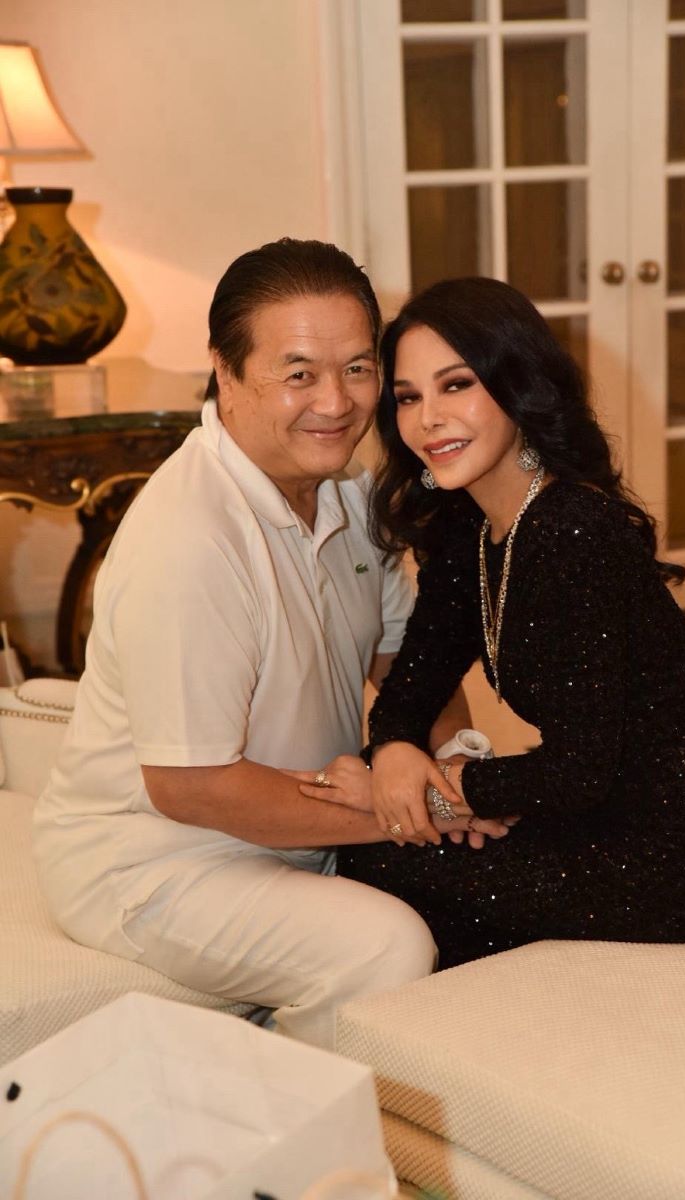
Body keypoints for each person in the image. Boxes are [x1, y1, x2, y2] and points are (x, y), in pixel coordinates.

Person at [33, 241, 505, 1048]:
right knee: (385, 947)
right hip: (162, 857)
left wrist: (448, 766)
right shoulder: (190, 539)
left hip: (312, 820)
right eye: (298, 374)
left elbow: (410, 671)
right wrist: (413, 809)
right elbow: (190, 788)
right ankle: (294, 1118)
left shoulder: (352, 491)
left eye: (357, 369)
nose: (336, 402)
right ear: (225, 372)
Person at [310, 275, 685, 970]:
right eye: (408, 397)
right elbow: (412, 688)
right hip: (598, 810)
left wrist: (444, 800)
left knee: (377, 859)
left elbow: (574, 773)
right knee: (376, 842)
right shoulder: (468, 528)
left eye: (456, 385)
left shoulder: (576, 531)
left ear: (517, 386)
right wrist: (392, 758)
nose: (428, 419)